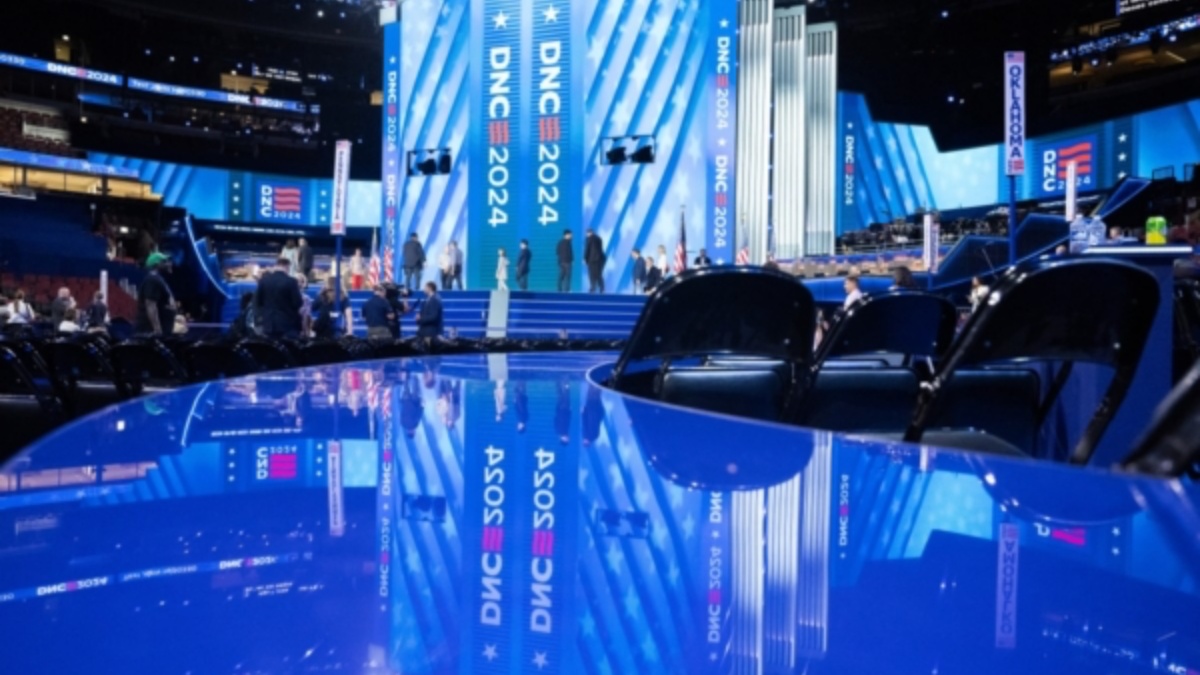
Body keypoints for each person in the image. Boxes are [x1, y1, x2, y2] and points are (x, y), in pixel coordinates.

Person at [255, 257, 304, 339]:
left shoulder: (264, 280)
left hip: (268, 323)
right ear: (287, 266)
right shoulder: (291, 281)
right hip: (287, 324)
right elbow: (297, 303)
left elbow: (258, 301)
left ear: (276, 265)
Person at [137, 252, 178, 336]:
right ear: (157, 265)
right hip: (151, 334)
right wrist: (157, 330)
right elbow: (150, 305)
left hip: (161, 332)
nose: (170, 263)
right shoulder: (152, 280)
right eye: (165, 261)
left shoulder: (158, 279)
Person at [584, 228, 606, 294]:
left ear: (588, 233)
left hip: (592, 259)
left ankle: (593, 288)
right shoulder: (598, 238)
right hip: (600, 259)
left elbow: (587, 249)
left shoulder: (588, 239)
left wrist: (585, 259)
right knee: (599, 274)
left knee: (592, 274)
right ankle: (602, 288)